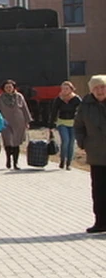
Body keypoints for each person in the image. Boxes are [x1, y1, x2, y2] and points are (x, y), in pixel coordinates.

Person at [75, 75, 106, 234]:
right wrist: (82, 143)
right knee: (99, 190)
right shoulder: (85, 106)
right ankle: (100, 222)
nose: (100, 91)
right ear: (91, 90)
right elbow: (78, 126)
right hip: (96, 153)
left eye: (103, 87)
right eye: (96, 88)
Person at [0, 79, 32, 170]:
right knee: (8, 141)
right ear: (3, 88)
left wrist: (27, 121)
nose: (8, 89)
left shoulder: (19, 96)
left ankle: (15, 163)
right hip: (5, 123)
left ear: (13, 88)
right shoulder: (0, 98)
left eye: (10, 87)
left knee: (16, 142)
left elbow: (24, 109)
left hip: (18, 122)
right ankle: (8, 159)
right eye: (6, 87)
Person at [50, 81, 82, 170]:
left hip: (73, 123)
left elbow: (83, 110)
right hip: (62, 122)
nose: (64, 91)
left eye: (66, 89)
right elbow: (54, 112)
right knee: (66, 141)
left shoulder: (76, 99)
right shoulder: (59, 99)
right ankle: (62, 160)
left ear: (71, 89)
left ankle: (69, 163)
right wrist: (51, 125)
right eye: (63, 89)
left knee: (71, 143)